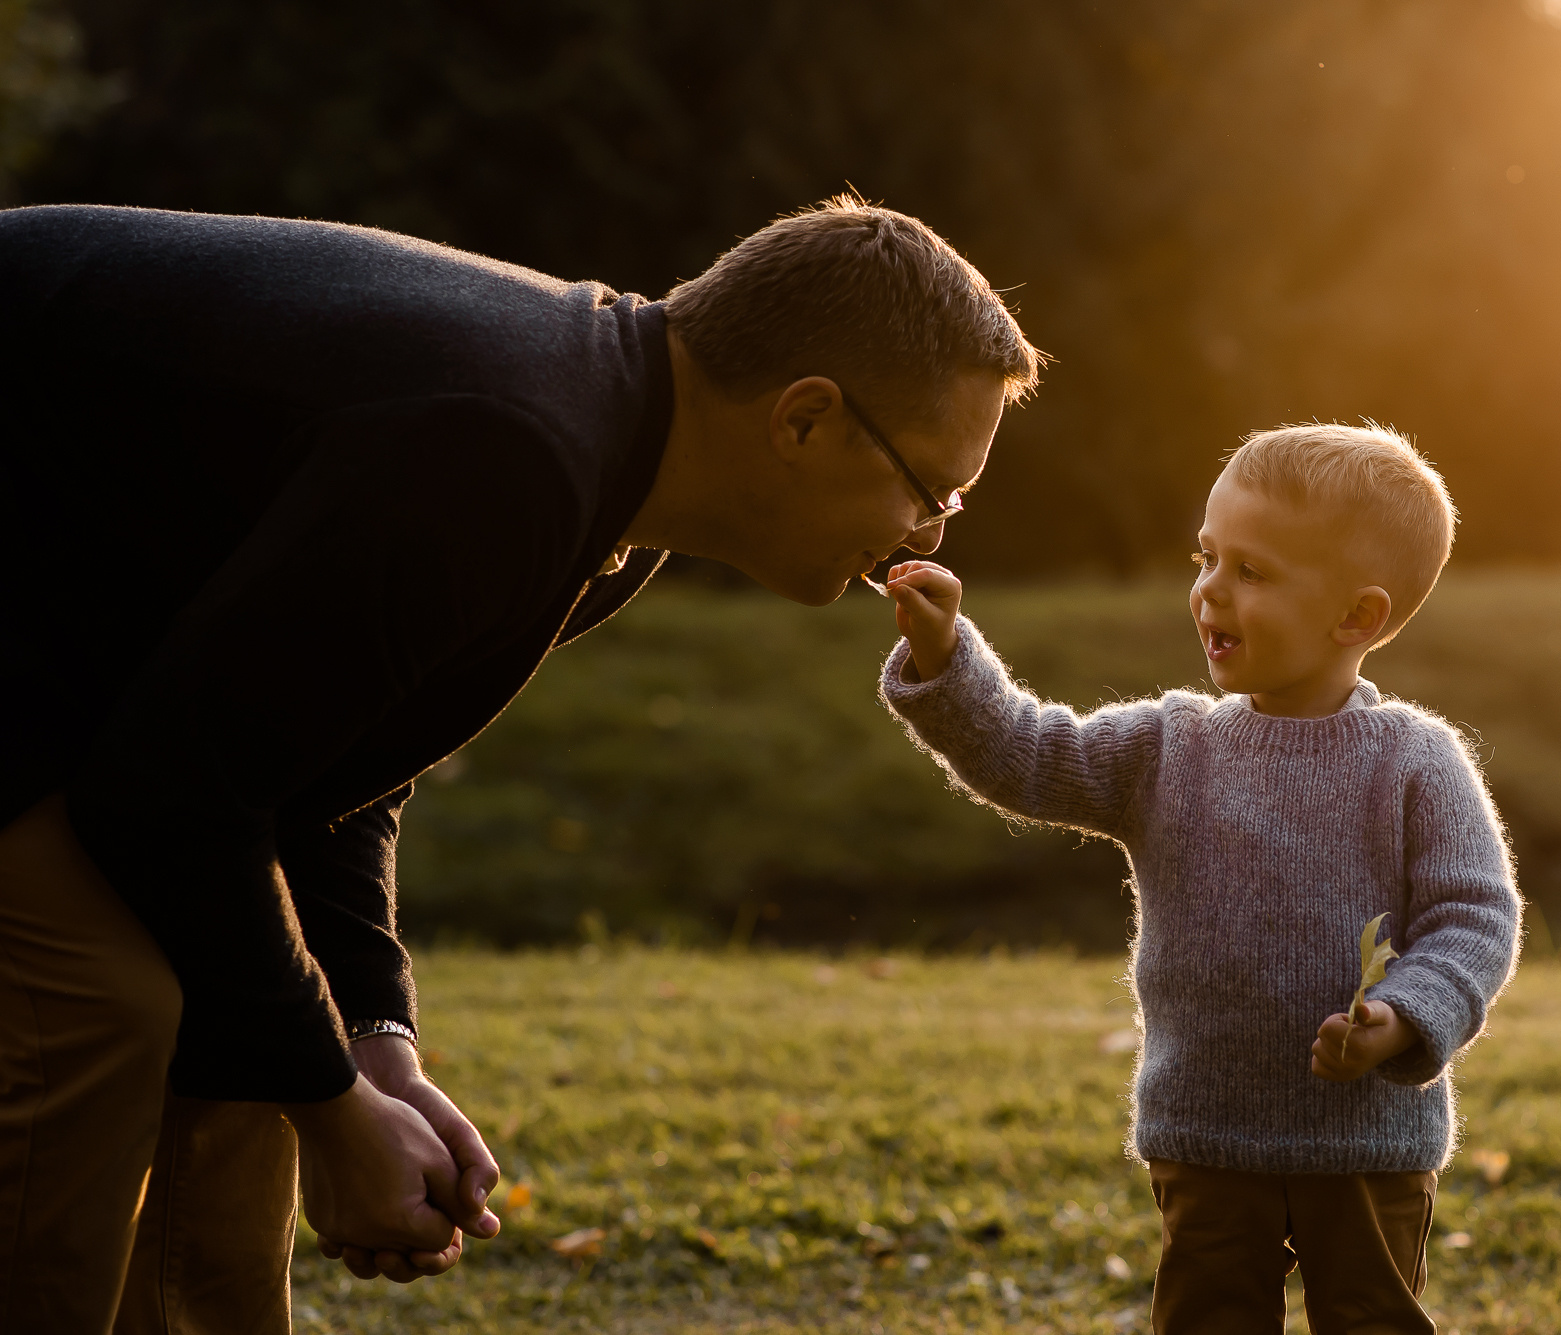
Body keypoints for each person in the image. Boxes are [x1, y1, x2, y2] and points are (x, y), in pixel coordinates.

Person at [0, 193, 1041, 1334]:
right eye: (932, 490)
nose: (932, 535)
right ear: (803, 419)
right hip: (63, 700)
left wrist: (370, 1045)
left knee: (243, 1019)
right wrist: (335, 1111)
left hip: (93, 692)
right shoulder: (510, 452)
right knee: (103, 1000)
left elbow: (327, 764)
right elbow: (169, 795)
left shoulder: (611, 495)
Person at [877, 424, 1520, 1334]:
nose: (1210, 589)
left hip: (1366, 1140)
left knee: (1372, 1316)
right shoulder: (1170, 745)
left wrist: (1406, 1015)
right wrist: (948, 661)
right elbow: (1031, 753)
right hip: (1206, 1128)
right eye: (1207, 556)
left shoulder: (1415, 760)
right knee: (1206, 1316)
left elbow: (1474, 916)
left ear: (1357, 618)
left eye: (1251, 572)